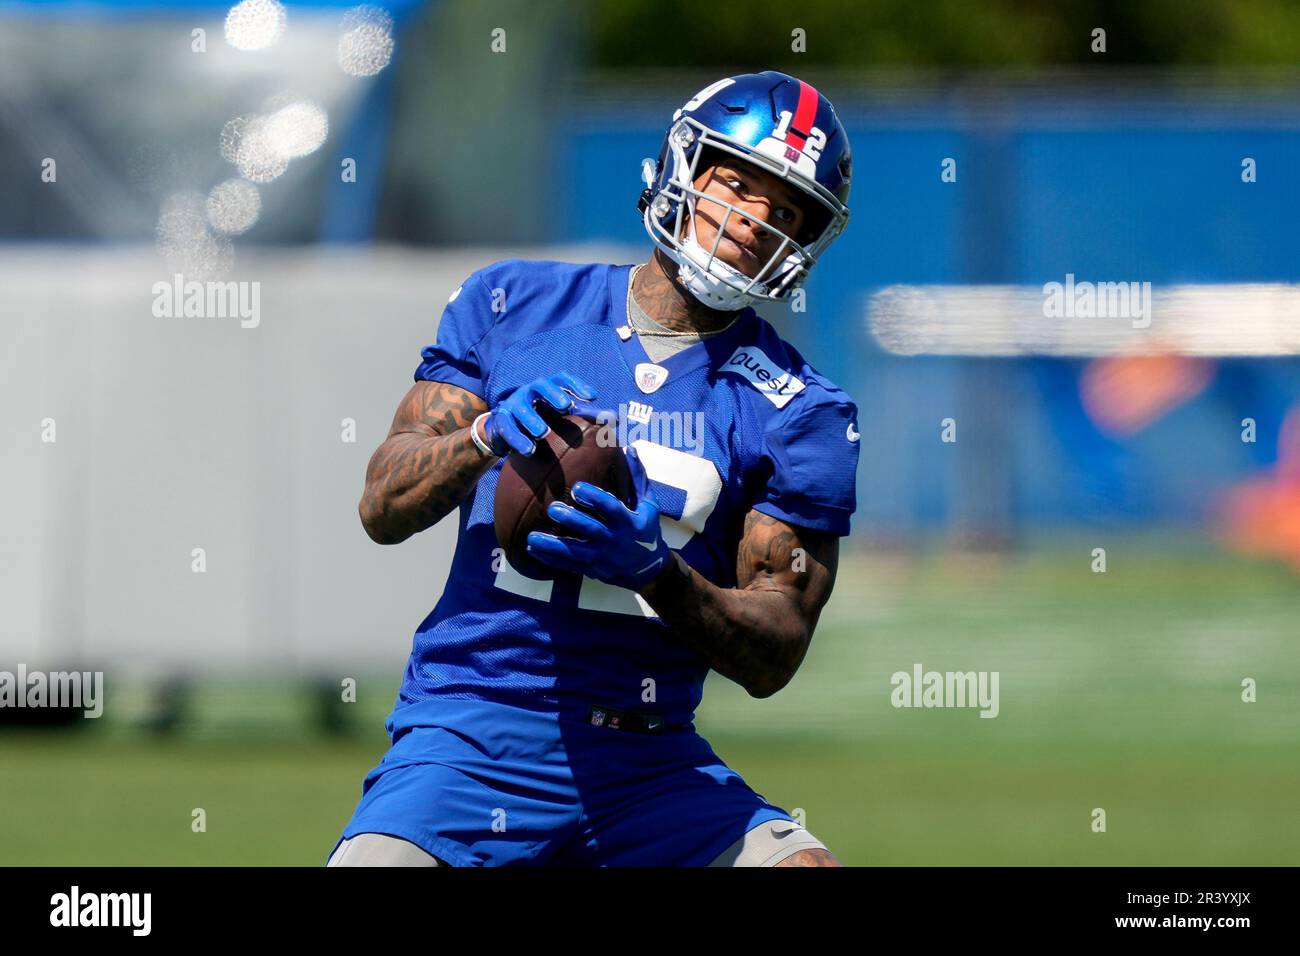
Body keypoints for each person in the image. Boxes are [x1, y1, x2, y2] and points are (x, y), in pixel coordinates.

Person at [329, 70, 860, 867]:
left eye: (785, 212)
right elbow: (381, 504)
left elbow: (774, 652)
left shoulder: (801, 407)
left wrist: (658, 573)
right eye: (738, 185)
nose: (755, 222)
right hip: (470, 734)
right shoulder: (513, 302)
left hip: (649, 760)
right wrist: (481, 437)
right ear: (683, 167)